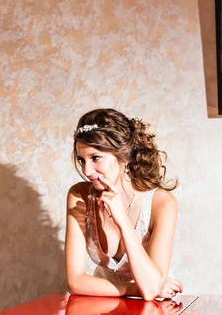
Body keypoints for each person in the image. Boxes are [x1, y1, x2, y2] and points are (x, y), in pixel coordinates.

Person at [65, 108, 182, 301]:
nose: (87, 170)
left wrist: (121, 219)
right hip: (104, 302)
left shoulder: (162, 203)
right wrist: (133, 289)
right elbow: (75, 282)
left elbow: (151, 289)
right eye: (81, 160)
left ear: (124, 156)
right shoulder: (79, 195)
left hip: (155, 307)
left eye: (95, 158)